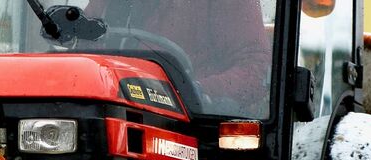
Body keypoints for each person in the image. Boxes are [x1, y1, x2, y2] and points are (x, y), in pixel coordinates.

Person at [83, 0, 272, 112]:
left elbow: (257, 71)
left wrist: (196, 92)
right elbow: (80, 54)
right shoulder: (107, 4)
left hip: (191, 133)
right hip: (107, 116)